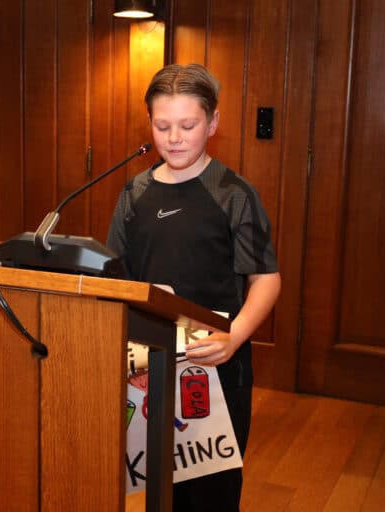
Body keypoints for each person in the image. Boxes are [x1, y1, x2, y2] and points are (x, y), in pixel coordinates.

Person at [107, 64, 281, 511]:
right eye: (162, 126)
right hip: (147, 367)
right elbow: (116, 276)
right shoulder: (134, 193)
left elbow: (266, 277)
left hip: (218, 366)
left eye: (188, 126)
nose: (174, 138)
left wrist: (234, 337)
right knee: (158, 492)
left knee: (211, 497)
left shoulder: (233, 194)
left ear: (213, 122)